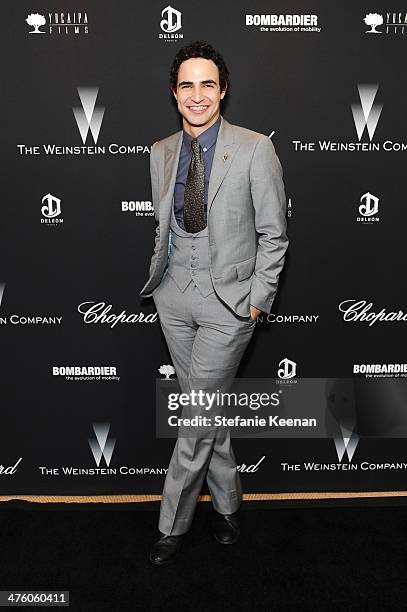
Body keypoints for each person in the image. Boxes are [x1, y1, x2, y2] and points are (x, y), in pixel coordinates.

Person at [139, 40, 289, 565]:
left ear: (223, 91)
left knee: (195, 412)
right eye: (187, 85)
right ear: (174, 93)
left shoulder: (253, 148)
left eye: (207, 84)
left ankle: (171, 523)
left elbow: (274, 233)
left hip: (231, 304)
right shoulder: (160, 152)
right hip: (173, 298)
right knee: (209, 409)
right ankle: (227, 503)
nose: (197, 95)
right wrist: (161, 286)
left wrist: (258, 297)